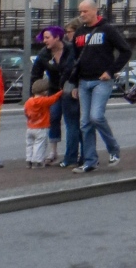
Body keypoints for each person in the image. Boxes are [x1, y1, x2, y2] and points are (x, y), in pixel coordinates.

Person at [68, 0, 132, 173]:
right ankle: (90, 161)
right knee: (84, 123)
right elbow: (77, 59)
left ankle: (113, 149)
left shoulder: (107, 29)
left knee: (96, 117)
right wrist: (74, 83)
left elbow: (126, 51)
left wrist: (111, 71)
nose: (81, 14)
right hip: (83, 81)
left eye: (85, 11)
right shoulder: (80, 32)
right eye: (80, 11)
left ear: (95, 11)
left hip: (101, 81)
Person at [30, 25, 74, 165]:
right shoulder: (44, 54)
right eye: (44, 38)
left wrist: (76, 86)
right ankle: (53, 151)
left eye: (47, 38)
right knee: (53, 117)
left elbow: (77, 67)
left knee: (71, 121)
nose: (44, 41)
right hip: (54, 89)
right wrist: (36, 93)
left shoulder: (70, 49)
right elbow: (35, 73)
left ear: (57, 37)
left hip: (70, 89)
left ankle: (72, 154)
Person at [57, 18, 83, 167]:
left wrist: (63, 83)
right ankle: (86, 156)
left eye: (69, 32)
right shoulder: (85, 47)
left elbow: (69, 67)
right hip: (80, 87)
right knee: (83, 125)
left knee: (72, 124)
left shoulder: (73, 48)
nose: (66, 35)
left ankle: (71, 157)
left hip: (71, 87)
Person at [23, 79, 62, 168]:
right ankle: (38, 161)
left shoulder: (29, 101)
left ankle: (29, 160)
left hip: (30, 127)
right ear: (45, 92)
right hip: (41, 127)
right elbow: (53, 99)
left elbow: (25, 111)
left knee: (29, 144)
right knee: (39, 144)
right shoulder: (43, 100)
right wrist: (60, 92)